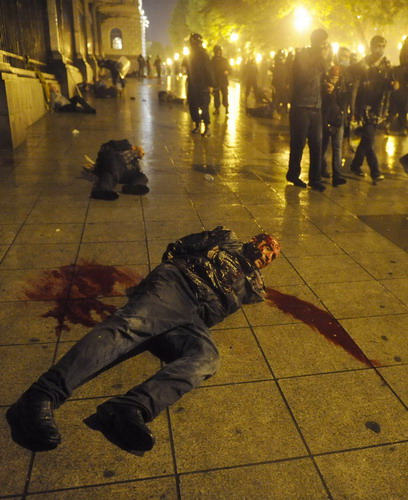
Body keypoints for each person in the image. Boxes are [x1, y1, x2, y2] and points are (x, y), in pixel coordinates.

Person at [6, 227, 281, 452]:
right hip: (177, 287)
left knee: (205, 358)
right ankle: (40, 395)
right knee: (129, 327)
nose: (267, 255)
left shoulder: (255, 286)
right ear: (253, 239)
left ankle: (129, 409)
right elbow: (177, 248)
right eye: (267, 246)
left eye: (272, 256)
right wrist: (161, 285)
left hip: (194, 317)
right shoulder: (226, 239)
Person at [286, 29, 331, 191]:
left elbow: (323, 76)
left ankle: (315, 178)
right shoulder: (301, 56)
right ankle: (293, 173)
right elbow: (305, 77)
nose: (325, 46)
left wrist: (329, 85)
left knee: (317, 144)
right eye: (323, 43)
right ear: (315, 42)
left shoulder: (322, 59)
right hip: (301, 106)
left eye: (326, 43)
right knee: (298, 143)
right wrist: (321, 59)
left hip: (316, 107)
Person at [349, 36, 398, 181]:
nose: (380, 49)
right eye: (378, 45)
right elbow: (355, 88)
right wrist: (353, 110)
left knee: (366, 139)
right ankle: (375, 171)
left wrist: (394, 85)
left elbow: (391, 84)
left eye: (383, 46)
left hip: (379, 108)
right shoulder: (363, 64)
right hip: (365, 108)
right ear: (371, 47)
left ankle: (355, 165)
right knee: (369, 138)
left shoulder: (387, 65)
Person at [182, 33, 215, 137]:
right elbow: (184, 66)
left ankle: (207, 127)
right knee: (193, 106)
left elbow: (209, 70)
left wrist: (210, 84)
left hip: (202, 84)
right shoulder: (190, 54)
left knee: (204, 106)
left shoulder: (203, 54)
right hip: (193, 84)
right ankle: (197, 125)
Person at [321, 65, 347, 186]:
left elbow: (344, 102)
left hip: (338, 120)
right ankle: (322, 168)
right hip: (326, 120)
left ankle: (337, 175)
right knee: (324, 146)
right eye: (333, 77)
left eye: (336, 77)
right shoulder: (324, 85)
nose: (334, 79)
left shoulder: (342, 87)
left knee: (337, 148)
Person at [211, 45, 232, 115]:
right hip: (216, 81)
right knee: (216, 96)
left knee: (225, 95)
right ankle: (217, 109)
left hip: (223, 81)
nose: (218, 52)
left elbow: (230, 69)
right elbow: (210, 71)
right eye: (217, 51)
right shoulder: (212, 61)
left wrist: (227, 71)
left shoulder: (224, 60)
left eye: (219, 51)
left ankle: (226, 107)